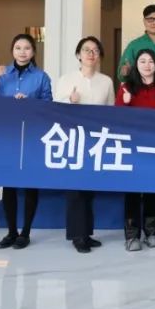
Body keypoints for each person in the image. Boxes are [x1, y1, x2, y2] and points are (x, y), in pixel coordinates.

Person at [0, 34, 53, 249]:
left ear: (33, 52)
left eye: (27, 48)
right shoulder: (2, 75)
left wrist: (29, 103)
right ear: (12, 50)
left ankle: (26, 232)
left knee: (31, 184)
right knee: (9, 186)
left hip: (32, 136)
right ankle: (11, 232)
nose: (22, 52)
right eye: (18, 48)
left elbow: (49, 106)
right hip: (9, 136)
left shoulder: (41, 76)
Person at [53, 36, 114, 253]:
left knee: (89, 189)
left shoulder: (106, 81)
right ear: (78, 55)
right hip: (73, 140)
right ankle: (77, 235)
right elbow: (55, 108)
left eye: (95, 50)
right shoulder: (66, 79)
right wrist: (70, 101)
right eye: (86, 50)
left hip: (95, 141)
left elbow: (110, 110)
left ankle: (87, 232)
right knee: (75, 190)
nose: (91, 54)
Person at [116, 48, 155, 251]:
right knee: (132, 192)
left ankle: (151, 232)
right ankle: (131, 235)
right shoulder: (126, 88)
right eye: (142, 61)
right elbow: (116, 119)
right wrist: (124, 103)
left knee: (153, 191)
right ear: (136, 66)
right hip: (131, 148)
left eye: (150, 61)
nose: (147, 65)